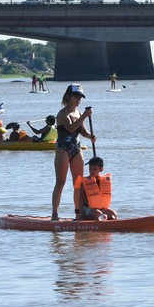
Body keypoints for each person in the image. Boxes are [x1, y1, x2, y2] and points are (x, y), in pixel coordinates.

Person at [52, 84, 95, 221]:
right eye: (76, 97)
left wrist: (90, 136)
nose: (79, 100)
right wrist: (84, 116)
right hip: (62, 149)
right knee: (61, 181)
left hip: (76, 148)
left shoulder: (79, 113)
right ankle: (55, 213)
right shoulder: (62, 113)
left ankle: (78, 213)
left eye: (81, 97)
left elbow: (82, 131)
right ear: (68, 96)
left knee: (78, 183)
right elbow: (70, 129)